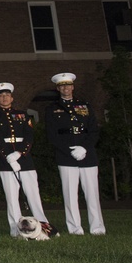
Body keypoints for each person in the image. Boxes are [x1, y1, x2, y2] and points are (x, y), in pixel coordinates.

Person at [0, 82, 50, 237]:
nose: (4, 98)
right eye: (1, 96)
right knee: (12, 198)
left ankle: (42, 227)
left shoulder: (23, 115)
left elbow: (29, 136)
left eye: (7, 95)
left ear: (12, 98)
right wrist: (8, 156)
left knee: (33, 194)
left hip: (25, 160)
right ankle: (16, 230)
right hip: (6, 161)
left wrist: (20, 153)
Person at [46, 72, 105, 236]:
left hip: (87, 154)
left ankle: (97, 227)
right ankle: (75, 228)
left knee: (92, 193)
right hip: (66, 156)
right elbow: (52, 135)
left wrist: (84, 148)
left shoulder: (85, 105)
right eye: (62, 86)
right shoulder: (52, 108)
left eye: (68, 85)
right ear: (58, 88)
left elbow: (93, 130)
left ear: (73, 87)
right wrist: (70, 150)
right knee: (70, 195)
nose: (66, 88)